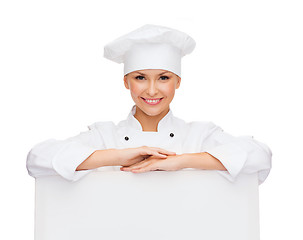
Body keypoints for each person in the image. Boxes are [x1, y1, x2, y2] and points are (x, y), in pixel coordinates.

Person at [26, 24, 272, 184]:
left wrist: (182, 161)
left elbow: (259, 156)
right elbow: (38, 158)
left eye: (163, 78)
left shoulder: (199, 135)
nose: (152, 90)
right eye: (140, 78)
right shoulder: (105, 135)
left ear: (177, 82)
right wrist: (117, 156)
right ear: (126, 82)